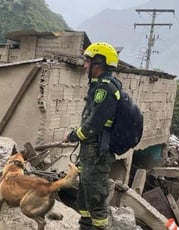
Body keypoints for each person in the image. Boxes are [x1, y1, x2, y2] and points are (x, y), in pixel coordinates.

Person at [63, 42, 121, 230]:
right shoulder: (99, 86)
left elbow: (93, 125)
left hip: (97, 153)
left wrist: (73, 135)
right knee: (85, 197)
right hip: (90, 153)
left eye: (88, 61)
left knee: (95, 201)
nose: (84, 65)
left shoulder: (105, 89)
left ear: (99, 62)